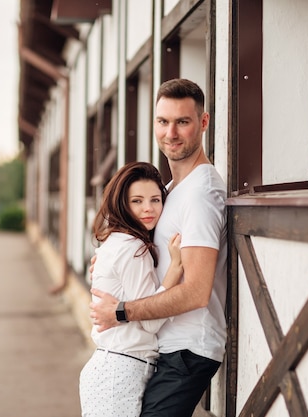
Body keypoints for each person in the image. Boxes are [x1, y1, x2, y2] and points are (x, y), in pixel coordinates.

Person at [90, 78, 227, 417]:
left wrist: (121, 311)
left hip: (188, 348)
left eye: (183, 121)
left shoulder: (200, 194)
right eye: (163, 121)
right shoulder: (170, 189)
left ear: (204, 122)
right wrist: (110, 263)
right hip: (161, 345)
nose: (171, 133)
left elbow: (195, 292)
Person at [79, 161, 184, 417]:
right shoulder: (132, 248)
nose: (148, 209)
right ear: (122, 204)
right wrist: (175, 269)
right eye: (137, 201)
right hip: (120, 370)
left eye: (155, 200)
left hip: (116, 367)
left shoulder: (118, 241)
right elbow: (149, 322)